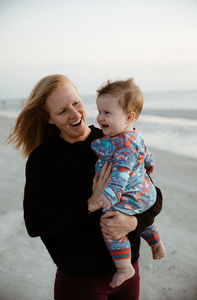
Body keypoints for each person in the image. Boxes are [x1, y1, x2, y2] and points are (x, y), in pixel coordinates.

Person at [8, 74, 163, 300]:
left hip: (129, 271)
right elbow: (35, 223)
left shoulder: (115, 139)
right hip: (80, 280)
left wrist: (133, 222)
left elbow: (153, 195)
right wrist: (90, 204)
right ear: (49, 119)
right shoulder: (43, 159)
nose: (74, 114)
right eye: (62, 111)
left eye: (76, 103)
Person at [91, 79, 166, 288]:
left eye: (107, 112)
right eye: (99, 111)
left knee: (111, 224)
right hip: (145, 193)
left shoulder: (123, 148)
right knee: (140, 219)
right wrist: (149, 166)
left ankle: (124, 267)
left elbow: (120, 177)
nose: (99, 117)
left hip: (129, 194)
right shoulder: (134, 136)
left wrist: (109, 197)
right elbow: (147, 154)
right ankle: (156, 243)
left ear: (129, 117)